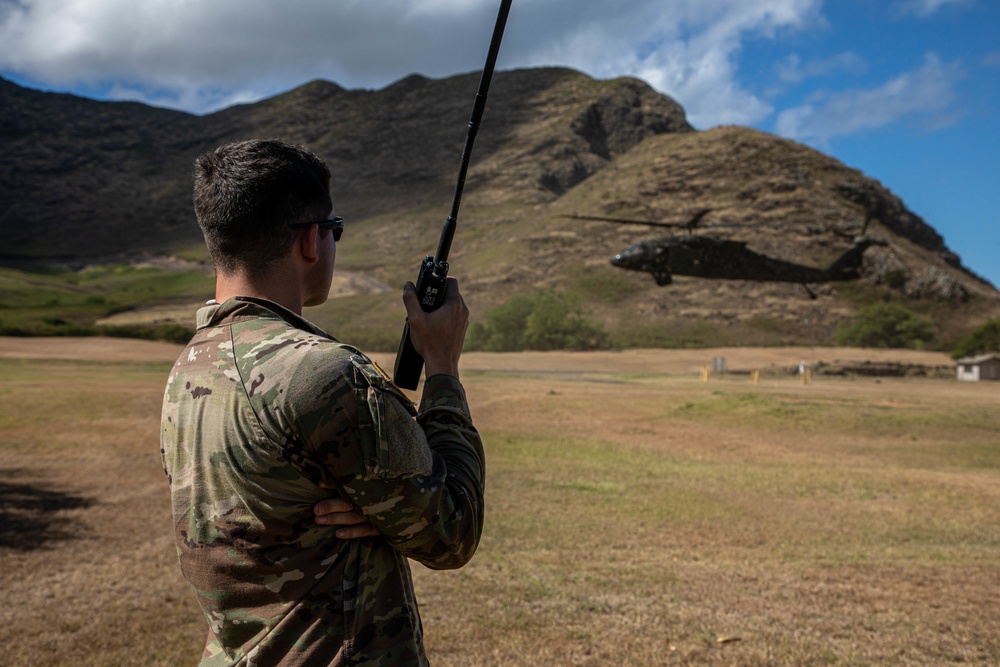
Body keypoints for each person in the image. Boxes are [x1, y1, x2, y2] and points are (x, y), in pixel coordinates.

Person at [160, 138, 486, 666]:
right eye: (334, 230)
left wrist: (368, 511)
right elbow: (452, 531)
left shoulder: (189, 367)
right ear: (311, 240)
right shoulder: (324, 375)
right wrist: (443, 369)